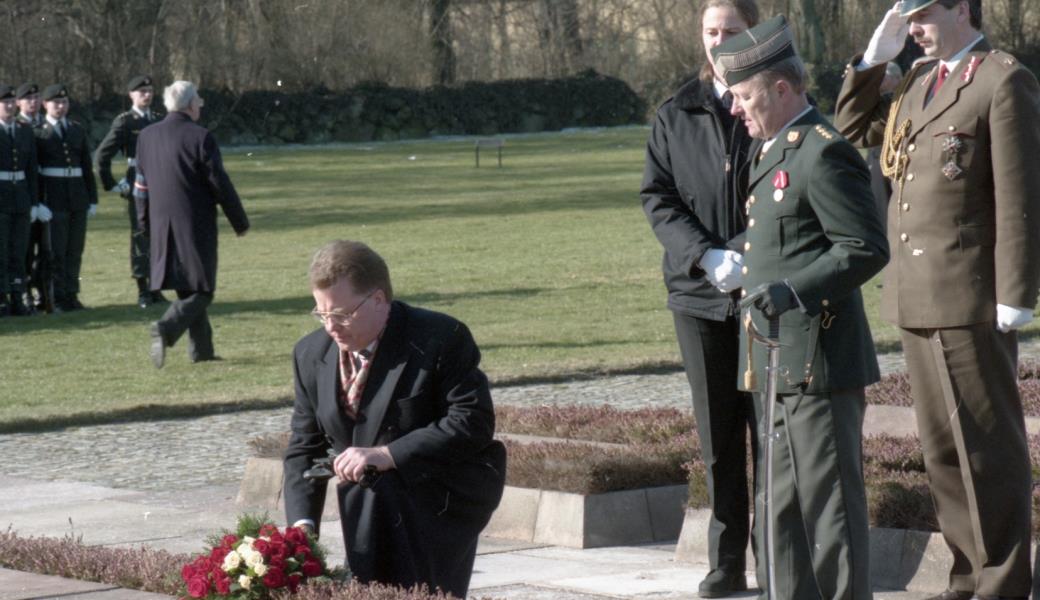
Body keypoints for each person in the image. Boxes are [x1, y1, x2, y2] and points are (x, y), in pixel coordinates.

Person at [834, 1, 1040, 598]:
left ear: (961, 10)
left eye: (923, 14)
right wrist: (872, 62)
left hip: (971, 295)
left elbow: (1021, 193)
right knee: (944, 451)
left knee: (987, 448)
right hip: (916, 292)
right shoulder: (920, 80)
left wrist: (1016, 290)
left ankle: (1003, 582)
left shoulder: (1002, 80)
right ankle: (966, 576)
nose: (914, 28)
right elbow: (853, 130)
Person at [712, 15, 889, 599]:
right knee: (779, 515)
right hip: (775, 363)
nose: (736, 108)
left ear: (781, 89)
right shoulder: (772, 150)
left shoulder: (823, 153)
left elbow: (864, 247)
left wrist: (794, 290)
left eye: (743, 96)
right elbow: (786, 238)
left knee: (829, 513)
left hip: (819, 361)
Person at [283, 240, 506, 598]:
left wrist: (386, 454)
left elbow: (471, 422)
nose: (331, 326)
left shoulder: (440, 338)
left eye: (341, 313)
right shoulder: (310, 354)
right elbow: (304, 447)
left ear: (378, 300)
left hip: (437, 496)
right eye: (321, 313)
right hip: (366, 506)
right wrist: (302, 528)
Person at [639, 1, 759, 596]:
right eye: (711, 31)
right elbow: (658, 197)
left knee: (770, 435)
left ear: (754, 34)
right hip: (697, 296)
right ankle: (726, 561)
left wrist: (742, 253)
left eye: (731, 30)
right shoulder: (675, 113)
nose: (719, 40)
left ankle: (778, 556)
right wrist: (705, 256)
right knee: (718, 439)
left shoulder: (775, 103)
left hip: (764, 292)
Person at [133, 81, 249, 368]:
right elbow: (219, 183)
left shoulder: (146, 136)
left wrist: (144, 221)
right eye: (198, 101)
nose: (200, 106)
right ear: (190, 105)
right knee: (203, 288)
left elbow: (140, 186)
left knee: (188, 286)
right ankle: (166, 327)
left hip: (160, 223)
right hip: (194, 223)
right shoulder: (200, 137)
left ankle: (202, 352)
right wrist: (239, 220)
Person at [95, 74, 166, 309]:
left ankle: (157, 287)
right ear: (131, 95)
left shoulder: (159, 119)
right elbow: (102, 155)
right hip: (138, 183)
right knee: (140, 236)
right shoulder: (125, 122)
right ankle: (143, 290)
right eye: (142, 92)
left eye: (150, 91)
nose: (147, 95)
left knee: (159, 236)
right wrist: (113, 184)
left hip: (160, 183)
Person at [35, 84, 97, 312]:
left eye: (64, 102)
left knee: (75, 250)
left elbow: (86, 167)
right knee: (56, 251)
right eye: (56, 103)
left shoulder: (76, 129)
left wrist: (92, 198)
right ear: (45, 105)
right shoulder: (37, 132)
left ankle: (72, 294)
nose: (61, 107)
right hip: (54, 198)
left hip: (77, 197)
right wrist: (37, 201)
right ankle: (57, 296)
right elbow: (34, 171)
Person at [0, 84, 39, 317]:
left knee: (19, 251)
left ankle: (17, 296)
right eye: (4, 102)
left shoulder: (24, 130)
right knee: (1, 251)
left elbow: (31, 169)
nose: (9, 106)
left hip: (21, 197)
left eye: (11, 102)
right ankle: (1, 298)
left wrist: (34, 202)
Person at [16, 82, 51, 313]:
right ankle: (25, 291)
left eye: (37, 97)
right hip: (25, 195)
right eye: (28, 98)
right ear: (19, 102)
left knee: (47, 250)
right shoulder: (17, 126)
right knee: (26, 249)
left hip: (49, 195)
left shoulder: (47, 124)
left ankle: (44, 291)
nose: (33, 102)